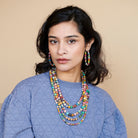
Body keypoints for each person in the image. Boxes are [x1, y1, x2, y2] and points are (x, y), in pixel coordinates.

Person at [0, 5, 127, 138]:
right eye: (54, 41)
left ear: (88, 44)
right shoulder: (25, 93)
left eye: (71, 41)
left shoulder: (103, 101)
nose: (61, 50)